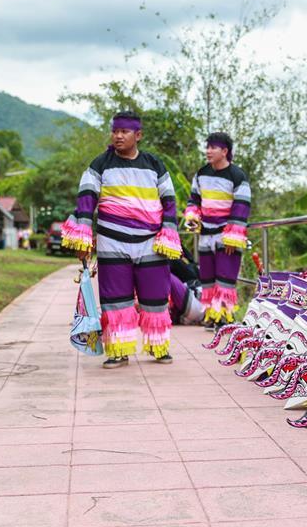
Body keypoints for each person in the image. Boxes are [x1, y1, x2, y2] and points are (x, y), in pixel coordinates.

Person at [60, 111, 182, 369]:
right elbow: (86, 199)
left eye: (124, 132)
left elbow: (169, 201)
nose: (118, 136)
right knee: (115, 299)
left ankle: (158, 347)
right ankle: (118, 351)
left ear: (138, 135)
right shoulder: (100, 164)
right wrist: (83, 237)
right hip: (111, 242)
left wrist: (168, 231)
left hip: (151, 242)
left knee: (156, 298)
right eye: (115, 131)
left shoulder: (154, 164)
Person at [183, 132, 250, 329]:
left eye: (213, 147)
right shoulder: (201, 174)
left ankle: (225, 319)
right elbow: (193, 200)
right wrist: (192, 215)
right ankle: (212, 316)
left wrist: (232, 237)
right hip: (205, 235)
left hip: (226, 235)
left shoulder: (237, 176)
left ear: (225, 151)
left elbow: (242, 206)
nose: (208, 151)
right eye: (208, 147)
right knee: (208, 279)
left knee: (225, 279)